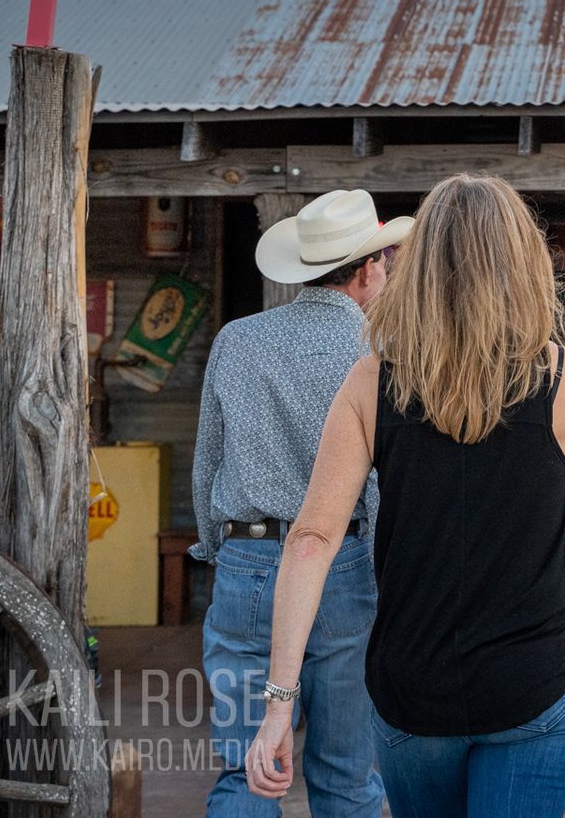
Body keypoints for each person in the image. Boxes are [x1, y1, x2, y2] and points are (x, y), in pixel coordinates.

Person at [244, 173, 565, 818]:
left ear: (417, 265)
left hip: (414, 691)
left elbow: (311, 541)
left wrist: (279, 702)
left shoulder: (369, 381)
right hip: (535, 688)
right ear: (522, 261)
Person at [192, 188, 413, 816]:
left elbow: (208, 458)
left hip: (245, 560)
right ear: (369, 268)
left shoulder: (236, 340)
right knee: (346, 775)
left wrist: (217, 546)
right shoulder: (378, 355)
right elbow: (381, 481)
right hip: (344, 564)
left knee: (245, 772)